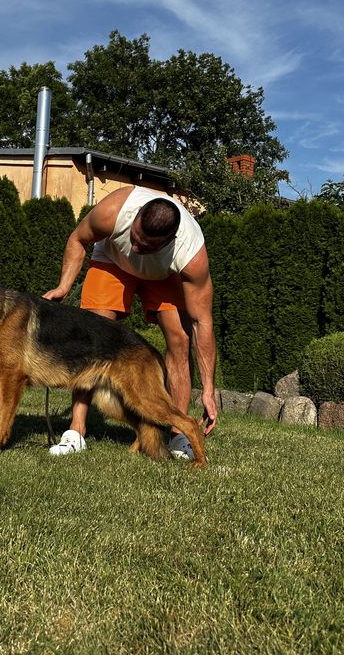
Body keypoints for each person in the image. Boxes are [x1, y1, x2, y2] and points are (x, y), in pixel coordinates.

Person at [43, 185, 218, 459]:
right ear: (135, 216)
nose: (136, 247)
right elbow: (78, 239)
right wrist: (63, 287)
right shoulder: (113, 211)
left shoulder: (190, 252)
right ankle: (76, 431)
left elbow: (201, 323)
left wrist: (208, 389)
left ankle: (176, 433)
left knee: (180, 340)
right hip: (111, 263)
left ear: (169, 240)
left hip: (162, 275)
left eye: (145, 246)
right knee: (92, 340)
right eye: (134, 237)